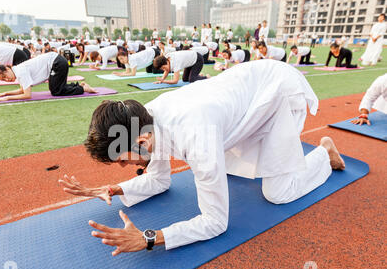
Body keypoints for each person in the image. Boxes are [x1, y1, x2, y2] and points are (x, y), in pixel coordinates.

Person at [58, 59, 345, 255]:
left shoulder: (195, 135)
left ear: (142, 140)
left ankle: (324, 153)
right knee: (231, 170)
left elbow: (216, 222)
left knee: (278, 193)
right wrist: (114, 189)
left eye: (123, 161)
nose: (126, 166)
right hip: (242, 94)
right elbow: (159, 181)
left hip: (275, 93)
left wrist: (148, 238)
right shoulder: (143, 120)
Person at [0, 52, 97, 102]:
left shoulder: (20, 72)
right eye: (3, 79)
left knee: (55, 91)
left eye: (5, 75)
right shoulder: (18, 71)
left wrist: (8, 98)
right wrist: (5, 93)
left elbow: (27, 95)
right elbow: (23, 90)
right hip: (57, 62)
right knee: (57, 87)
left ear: (8, 68)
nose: (7, 79)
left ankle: (82, 88)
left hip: (57, 63)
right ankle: (80, 85)